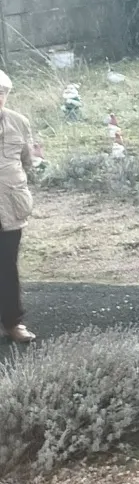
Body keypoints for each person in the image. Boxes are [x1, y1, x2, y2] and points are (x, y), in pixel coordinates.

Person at [0, 70, 37, 343]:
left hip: (9, 209)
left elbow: (27, 161)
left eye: (2, 92)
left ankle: (13, 323)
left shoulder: (19, 122)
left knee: (7, 267)